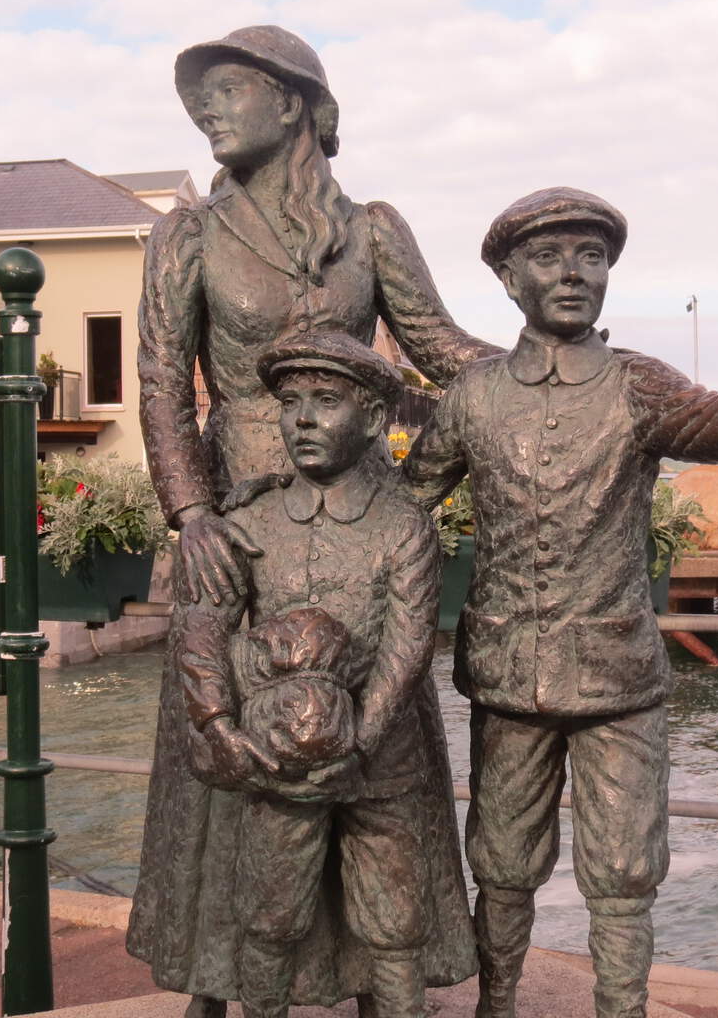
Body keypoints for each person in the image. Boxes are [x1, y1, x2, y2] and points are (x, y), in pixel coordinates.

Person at [405, 187, 718, 1018]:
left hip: (618, 676)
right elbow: (403, 503)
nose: (573, 274)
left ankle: (620, 1011)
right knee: (503, 863)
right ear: (509, 277)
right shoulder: (473, 396)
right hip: (507, 674)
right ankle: (497, 1006)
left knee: (624, 873)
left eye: (592, 257)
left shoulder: (637, 385)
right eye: (550, 257)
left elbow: (714, 419)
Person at [129, 26, 493, 1016]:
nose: (206, 110)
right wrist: (188, 511)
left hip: (361, 511)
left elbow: (441, 348)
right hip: (237, 528)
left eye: (227, 88)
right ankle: (221, 983)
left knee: (374, 744)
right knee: (235, 762)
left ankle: (388, 979)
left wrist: (554, 370)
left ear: (292, 102)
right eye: (198, 96)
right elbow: (162, 382)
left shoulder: (372, 229)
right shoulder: (187, 235)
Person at [173, 332, 476, 1017]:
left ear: (372, 420)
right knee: (269, 920)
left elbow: (406, 648)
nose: (302, 418)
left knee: (394, 928)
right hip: (274, 765)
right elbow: (201, 624)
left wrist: (361, 743)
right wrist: (218, 724)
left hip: (381, 763)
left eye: (326, 401)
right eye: (291, 402)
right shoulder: (246, 517)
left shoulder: (402, 527)